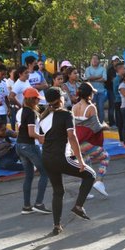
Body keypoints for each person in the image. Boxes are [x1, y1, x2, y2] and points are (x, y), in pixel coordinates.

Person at [39, 87, 96, 235]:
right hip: (60, 157)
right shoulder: (65, 114)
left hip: (46, 158)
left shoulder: (43, 116)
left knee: (58, 191)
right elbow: (72, 137)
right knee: (90, 175)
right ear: (60, 99)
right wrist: (80, 160)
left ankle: (57, 225)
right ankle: (78, 206)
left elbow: (43, 138)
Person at [15, 87, 51, 215]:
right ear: (32, 99)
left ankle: (26, 206)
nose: (38, 101)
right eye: (36, 99)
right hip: (29, 146)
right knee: (45, 172)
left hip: (20, 145)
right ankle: (39, 203)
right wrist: (41, 137)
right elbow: (31, 133)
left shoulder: (23, 111)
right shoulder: (30, 113)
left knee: (29, 176)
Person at [72, 83, 110, 197]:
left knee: (86, 164)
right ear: (89, 94)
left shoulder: (74, 107)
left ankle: (84, 191)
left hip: (77, 142)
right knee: (105, 156)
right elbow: (96, 128)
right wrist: (105, 126)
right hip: (86, 141)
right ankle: (99, 181)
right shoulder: (91, 107)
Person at [84, 54, 108, 123]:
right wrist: (99, 77)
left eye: (96, 59)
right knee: (92, 107)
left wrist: (93, 79)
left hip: (101, 92)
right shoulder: (88, 69)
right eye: (93, 58)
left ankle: (101, 123)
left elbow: (104, 78)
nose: (94, 60)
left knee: (100, 108)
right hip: (91, 92)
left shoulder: (103, 69)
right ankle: (93, 123)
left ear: (99, 61)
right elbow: (88, 77)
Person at [111, 62, 125, 135]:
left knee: (124, 121)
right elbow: (116, 91)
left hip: (123, 101)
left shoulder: (123, 78)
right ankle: (121, 138)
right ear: (119, 70)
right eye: (124, 68)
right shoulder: (117, 80)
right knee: (120, 121)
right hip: (119, 101)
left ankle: (124, 138)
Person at [106, 55, 121, 127]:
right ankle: (111, 122)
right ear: (112, 62)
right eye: (115, 61)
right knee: (112, 106)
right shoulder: (110, 70)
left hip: (119, 90)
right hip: (111, 90)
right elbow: (114, 80)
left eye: (117, 60)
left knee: (118, 106)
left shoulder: (120, 68)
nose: (116, 62)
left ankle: (119, 122)